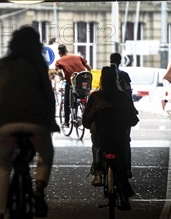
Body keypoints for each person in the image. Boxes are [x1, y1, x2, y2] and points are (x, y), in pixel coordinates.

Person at [0, 26, 58, 219]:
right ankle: (39, 189)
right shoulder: (38, 66)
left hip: (4, 125)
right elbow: (48, 96)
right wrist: (50, 122)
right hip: (35, 125)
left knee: (2, 168)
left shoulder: (2, 65)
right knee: (46, 153)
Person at [83, 66, 139, 210]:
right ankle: (126, 170)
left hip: (101, 137)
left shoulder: (95, 96)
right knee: (125, 148)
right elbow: (133, 119)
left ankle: (97, 172)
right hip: (120, 137)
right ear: (116, 79)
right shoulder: (123, 97)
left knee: (96, 145)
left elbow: (85, 122)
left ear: (101, 79)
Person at [55, 44, 92, 126]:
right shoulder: (77, 57)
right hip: (84, 83)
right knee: (82, 97)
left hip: (72, 84)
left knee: (67, 101)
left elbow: (58, 72)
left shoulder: (59, 61)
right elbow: (88, 67)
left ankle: (66, 122)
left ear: (59, 52)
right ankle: (82, 112)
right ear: (66, 50)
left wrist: (62, 77)